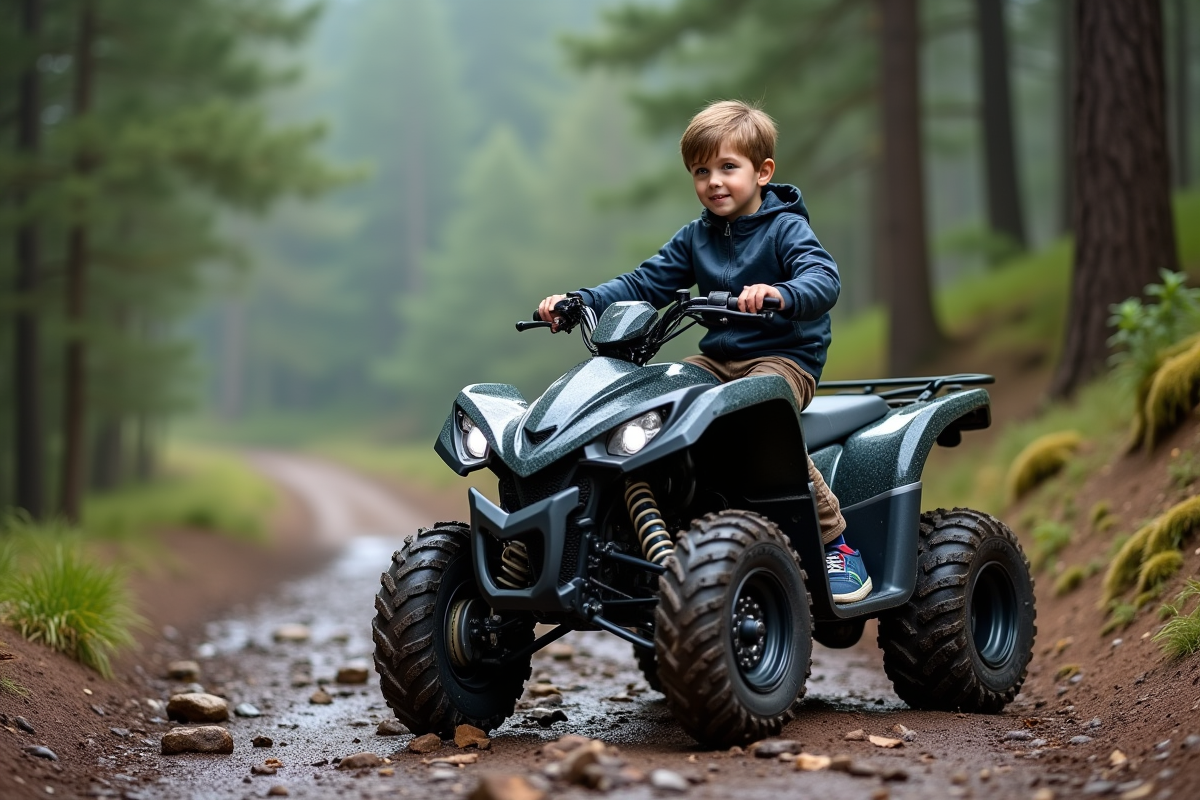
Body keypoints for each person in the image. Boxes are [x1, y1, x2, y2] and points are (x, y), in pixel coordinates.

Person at [537, 99, 872, 605]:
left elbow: (823, 279)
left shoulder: (786, 228)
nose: (714, 181)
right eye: (701, 170)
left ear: (763, 172)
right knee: (654, 402)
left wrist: (779, 294)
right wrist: (580, 300)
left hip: (784, 360)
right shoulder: (697, 237)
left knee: (758, 414)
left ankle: (836, 543)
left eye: (728, 168)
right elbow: (642, 282)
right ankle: (663, 536)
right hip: (716, 361)